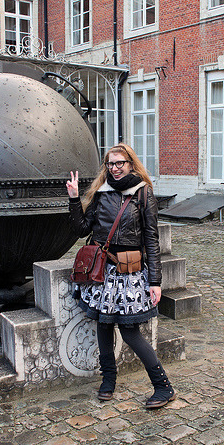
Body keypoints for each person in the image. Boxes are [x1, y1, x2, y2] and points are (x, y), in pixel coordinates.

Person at [66, 143, 175, 409]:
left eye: (119, 163)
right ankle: (108, 381)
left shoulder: (142, 193)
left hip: (131, 273)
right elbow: (82, 229)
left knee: (129, 331)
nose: (114, 169)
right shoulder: (101, 193)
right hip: (104, 271)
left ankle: (163, 386)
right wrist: (73, 198)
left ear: (130, 164)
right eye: (110, 164)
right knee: (103, 324)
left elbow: (151, 239)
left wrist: (156, 282)